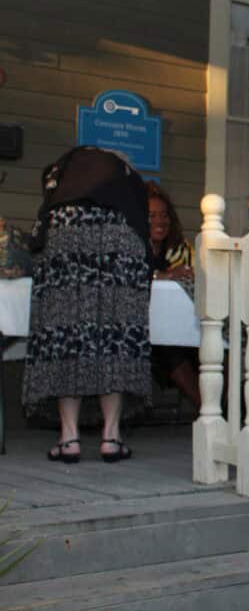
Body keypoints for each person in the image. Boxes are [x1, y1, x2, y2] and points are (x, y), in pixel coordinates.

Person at [23, 146, 152, 463]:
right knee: (115, 333)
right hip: (120, 235)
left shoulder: (65, 168)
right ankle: (111, 437)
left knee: (66, 332)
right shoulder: (126, 175)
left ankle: (69, 440)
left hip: (64, 231)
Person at [146, 181, 201, 413]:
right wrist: (165, 275)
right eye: (152, 215)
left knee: (211, 340)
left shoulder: (179, 249)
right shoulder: (134, 248)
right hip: (145, 333)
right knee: (170, 349)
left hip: (179, 324)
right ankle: (205, 408)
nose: (160, 220)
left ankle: (225, 406)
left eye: (164, 215)